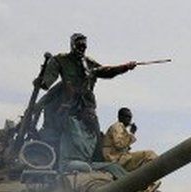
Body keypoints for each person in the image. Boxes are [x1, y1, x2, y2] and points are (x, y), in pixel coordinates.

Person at [37, 33, 137, 167]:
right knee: (59, 132)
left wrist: (125, 67)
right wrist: (43, 81)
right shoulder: (61, 60)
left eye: (84, 46)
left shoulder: (89, 63)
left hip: (86, 105)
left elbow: (107, 71)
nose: (82, 48)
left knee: (95, 132)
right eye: (79, 45)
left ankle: (97, 164)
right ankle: (56, 162)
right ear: (72, 45)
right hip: (68, 105)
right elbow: (47, 82)